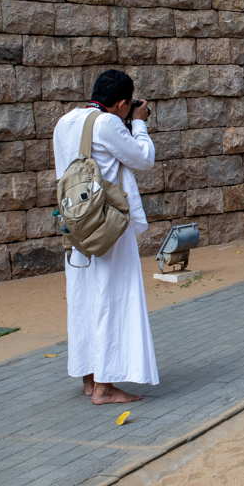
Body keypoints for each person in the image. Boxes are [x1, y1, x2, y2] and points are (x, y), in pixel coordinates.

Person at [53, 69, 156, 405]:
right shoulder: (107, 123)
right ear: (122, 103)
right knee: (112, 299)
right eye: (129, 107)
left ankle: (88, 377)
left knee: (83, 300)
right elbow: (143, 158)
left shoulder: (65, 122)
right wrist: (139, 123)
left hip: (76, 223)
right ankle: (105, 387)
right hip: (106, 224)